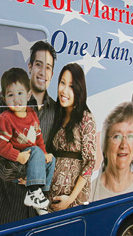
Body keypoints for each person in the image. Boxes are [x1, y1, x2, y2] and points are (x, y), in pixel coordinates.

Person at [0, 41, 57, 225]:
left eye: (48, 67)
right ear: (30, 66)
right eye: (38, 64)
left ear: (52, 74)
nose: (42, 72)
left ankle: (37, 195)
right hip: (9, 207)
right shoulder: (6, 103)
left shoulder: (56, 110)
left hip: (41, 212)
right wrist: (20, 173)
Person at [48, 63, 96, 211]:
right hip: (50, 200)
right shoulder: (56, 115)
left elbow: (90, 163)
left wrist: (69, 199)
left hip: (73, 201)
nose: (64, 90)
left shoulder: (86, 119)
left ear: (79, 90)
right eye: (62, 83)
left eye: (71, 86)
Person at [91, 102, 133, 200]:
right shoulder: (90, 193)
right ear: (105, 145)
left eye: (130, 136)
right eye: (117, 136)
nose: (124, 145)